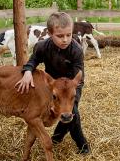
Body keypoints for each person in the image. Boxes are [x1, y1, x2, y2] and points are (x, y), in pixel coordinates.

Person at [15, 12, 90, 154]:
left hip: (70, 86)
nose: (65, 39)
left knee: (71, 112)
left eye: (69, 34)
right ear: (50, 33)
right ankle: (57, 137)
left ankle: (82, 144)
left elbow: (78, 77)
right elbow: (33, 60)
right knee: (58, 113)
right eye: (60, 36)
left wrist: (73, 97)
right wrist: (28, 70)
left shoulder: (76, 50)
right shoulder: (42, 46)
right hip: (52, 85)